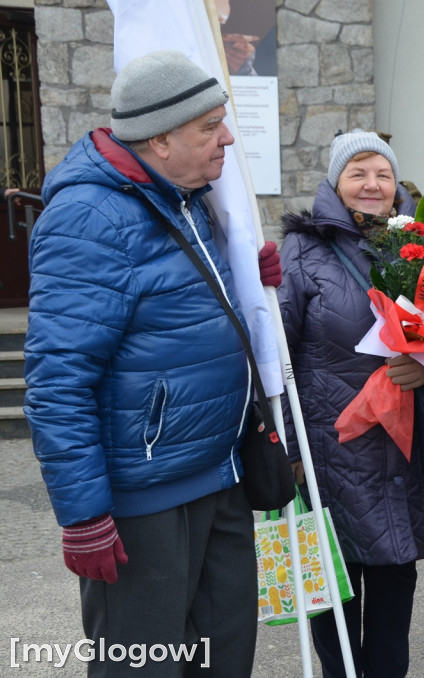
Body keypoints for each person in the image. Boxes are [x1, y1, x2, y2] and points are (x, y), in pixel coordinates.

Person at [23, 50, 266, 676]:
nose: (227, 138)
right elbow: (57, 380)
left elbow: (178, 318)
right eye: (210, 126)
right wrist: (84, 517)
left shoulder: (188, 196)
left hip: (221, 474)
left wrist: (247, 280)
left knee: (223, 661)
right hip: (146, 501)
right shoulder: (90, 216)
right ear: (159, 138)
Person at [277, 129, 424, 678]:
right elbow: (275, 357)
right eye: (358, 173)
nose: (372, 185)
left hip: (403, 449)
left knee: (396, 587)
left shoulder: (423, 250)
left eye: (383, 173)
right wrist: (287, 447)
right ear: (336, 182)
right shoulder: (302, 251)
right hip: (332, 450)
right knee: (335, 591)